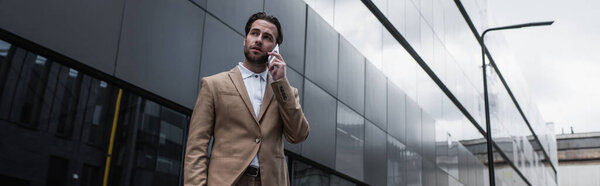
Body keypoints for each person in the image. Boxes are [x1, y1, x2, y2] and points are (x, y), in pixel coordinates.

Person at [184, 12, 310, 186]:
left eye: (267, 37)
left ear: (275, 49)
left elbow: (298, 135)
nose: (259, 40)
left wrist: (281, 82)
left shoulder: (285, 92)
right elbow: (196, 145)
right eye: (254, 33)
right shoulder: (213, 85)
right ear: (245, 39)